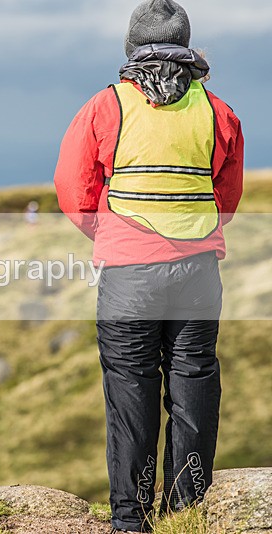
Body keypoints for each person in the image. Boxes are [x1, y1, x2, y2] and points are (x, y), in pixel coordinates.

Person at [53, 1, 243, 532]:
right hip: (199, 271)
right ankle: (185, 511)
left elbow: (73, 189)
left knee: (130, 389)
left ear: (131, 50)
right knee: (193, 385)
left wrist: (110, 233)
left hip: (128, 274)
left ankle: (131, 518)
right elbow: (227, 196)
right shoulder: (219, 112)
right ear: (187, 46)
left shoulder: (104, 107)